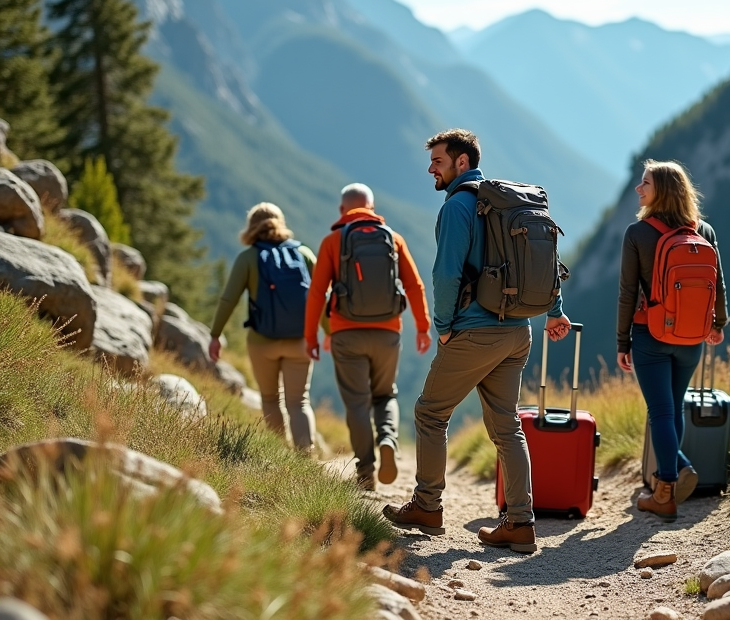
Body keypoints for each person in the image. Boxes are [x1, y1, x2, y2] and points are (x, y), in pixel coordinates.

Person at [383, 128, 572, 554]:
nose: (431, 168)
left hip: (474, 330)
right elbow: (544, 263)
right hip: (517, 332)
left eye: (437, 160)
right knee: (507, 426)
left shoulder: (459, 207)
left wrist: (444, 324)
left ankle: (427, 507)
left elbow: (446, 273)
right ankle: (520, 523)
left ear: (461, 162)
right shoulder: (507, 205)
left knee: (431, 414)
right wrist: (555, 311)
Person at [617, 160, 729, 519]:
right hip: (691, 335)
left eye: (645, 183)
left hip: (650, 333)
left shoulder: (638, 233)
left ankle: (665, 491)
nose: (639, 188)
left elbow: (627, 292)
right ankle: (675, 471)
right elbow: (719, 284)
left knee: (661, 412)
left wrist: (622, 342)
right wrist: (718, 324)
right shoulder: (704, 230)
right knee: (674, 408)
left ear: (661, 189)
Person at [304, 183, 432, 490]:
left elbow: (317, 293)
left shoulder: (333, 241)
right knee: (385, 395)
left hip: (346, 334)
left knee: (357, 403)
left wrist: (311, 336)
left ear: (342, 210)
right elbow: (414, 286)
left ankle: (365, 471)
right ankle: (387, 438)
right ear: (372, 208)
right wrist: (424, 326)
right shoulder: (394, 239)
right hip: (388, 333)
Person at [209, 202, 317, 453]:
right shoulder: (303, 253)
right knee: (298, 402)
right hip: (300, 340)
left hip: (261, 341)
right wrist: (326, 333)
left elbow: (228, 299)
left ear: (252, 227)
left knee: (270, 399)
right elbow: (323, 295)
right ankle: (305, 456)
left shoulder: (248, 257)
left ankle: (279, 456)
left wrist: (215, 335)